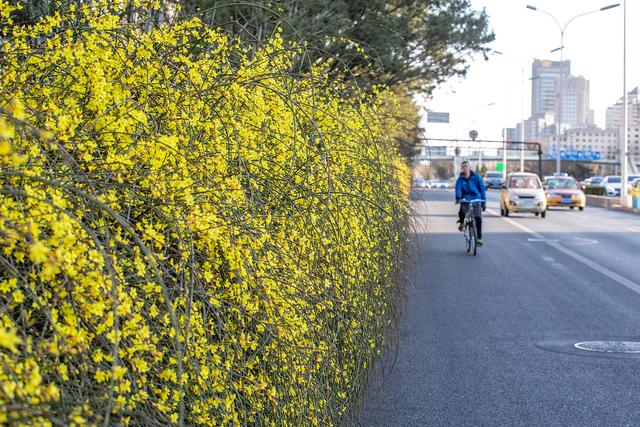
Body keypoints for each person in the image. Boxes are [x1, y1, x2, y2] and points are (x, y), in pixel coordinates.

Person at [455, 161, 486, 245]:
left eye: (466, 166)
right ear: (461, 169)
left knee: (478, 218)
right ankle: (462, 223)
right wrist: (459, 198)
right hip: (466, 199)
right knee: (462, 211)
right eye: (463, 167)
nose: (465, 168)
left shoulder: (477, 177)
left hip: (476, 198)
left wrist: (484, 201)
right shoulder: (460, 179)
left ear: (470, 168)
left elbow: (482, 188)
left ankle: (479, 238)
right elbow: (458, 188)